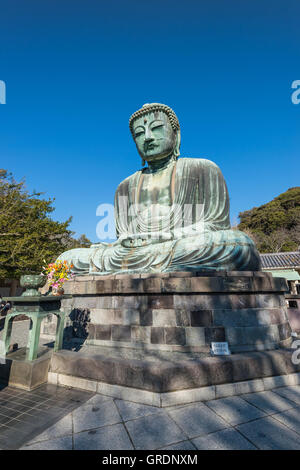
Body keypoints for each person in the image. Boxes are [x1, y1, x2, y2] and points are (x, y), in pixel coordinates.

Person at [58, 103, 261, 275]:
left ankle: (149, 266)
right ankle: (149, 266)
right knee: (66, 259)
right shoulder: (125, 187)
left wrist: (162, 238)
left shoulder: (203, 169)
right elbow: (123, 240)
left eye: (155, 128)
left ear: (176, 135)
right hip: (137, 253)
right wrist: (130, 244)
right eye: (139, 133)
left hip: (186, 245)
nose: (147, 137)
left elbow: (215, 227)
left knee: (238, 245)